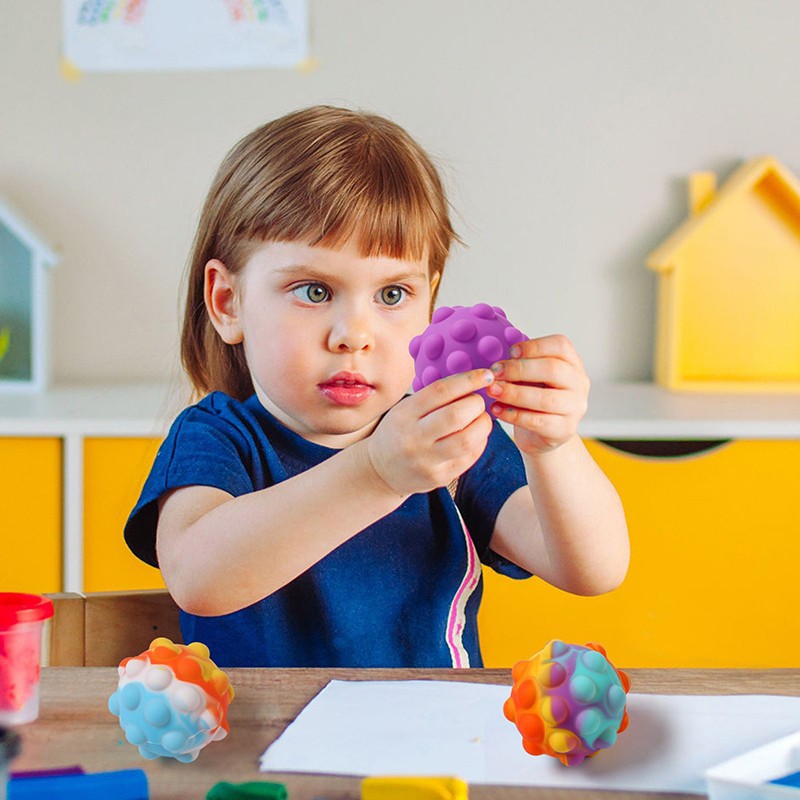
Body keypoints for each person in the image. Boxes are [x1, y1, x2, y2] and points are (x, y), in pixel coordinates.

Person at [124, 105, 629, 668]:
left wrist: (552, 447)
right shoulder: (217, 439)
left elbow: (594, 570)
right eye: (314, 291)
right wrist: (377, 474)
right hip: (266, 727)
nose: (354, 335)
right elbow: (198, 580)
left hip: (430, 725)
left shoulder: (452, 443)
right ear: (228, 302)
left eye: (392, 295)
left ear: (429, 302)